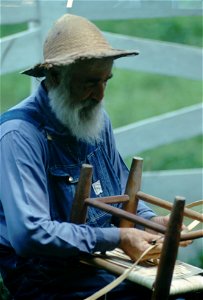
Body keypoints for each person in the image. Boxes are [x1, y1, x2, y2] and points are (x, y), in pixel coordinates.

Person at [0, 14, 188, 300]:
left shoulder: (94, 118)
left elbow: (122, 194)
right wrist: (120, 238)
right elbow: (30, 235)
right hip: (44, 278)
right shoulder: (19, 135)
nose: (100, 95)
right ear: (53, 76)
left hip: (98, 263)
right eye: (89, 83)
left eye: (105, 81)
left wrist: (149, 223)